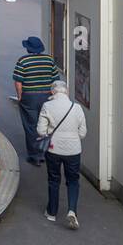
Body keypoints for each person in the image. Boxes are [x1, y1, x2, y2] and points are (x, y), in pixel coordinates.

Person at [37, 80, 87, 228]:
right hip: (73, 150)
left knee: (54, 180)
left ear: (52, 92)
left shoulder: (47, 106)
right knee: (73, 180)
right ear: (66, 91)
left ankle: (52, 212)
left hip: (53, 149)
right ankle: (72, 211)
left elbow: (40, 131)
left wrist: (50, 134)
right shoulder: (77, 108)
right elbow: (83, 132)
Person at [13, 35, 58, 166]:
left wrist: (20, 96)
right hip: (47, 97)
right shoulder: (49, 60)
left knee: (31, 126)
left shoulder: (23, 61)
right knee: (46, 124)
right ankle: (46, 152)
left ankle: (35, 156)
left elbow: (18, 82)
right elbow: (55, 79)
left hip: (29, 98)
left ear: (28, 49)